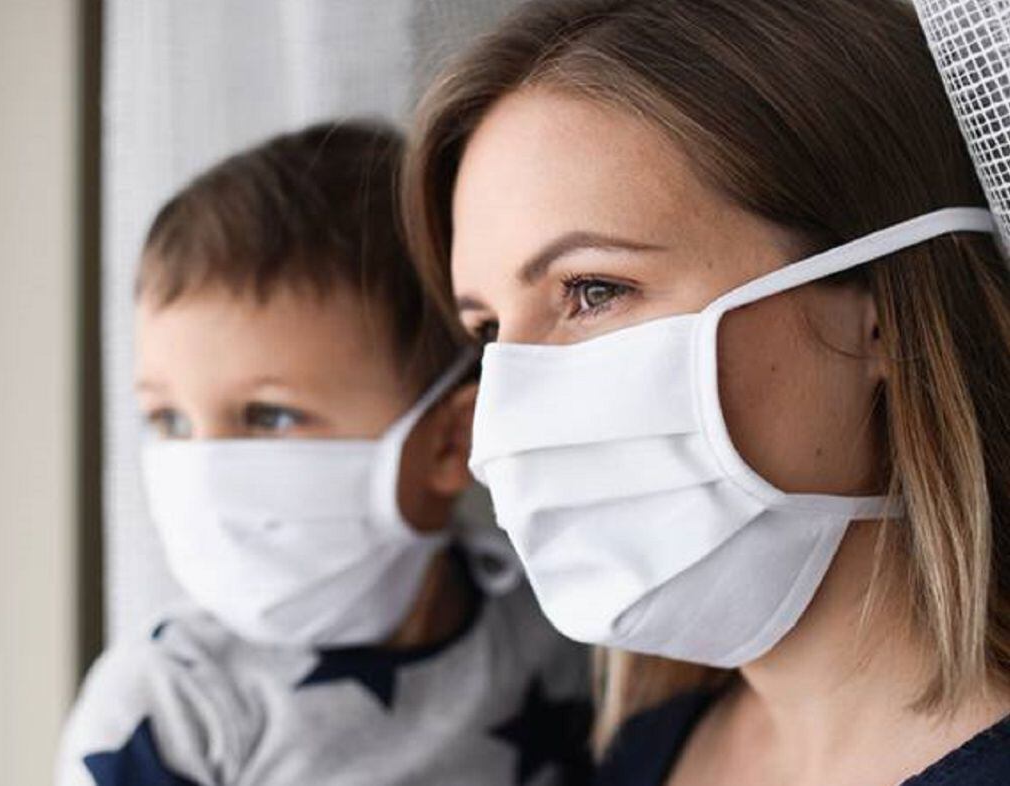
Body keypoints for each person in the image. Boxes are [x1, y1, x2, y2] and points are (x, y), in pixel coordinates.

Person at [401, 1, 1010, 784]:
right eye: (487, 333)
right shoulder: (637, 754)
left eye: (591, 290)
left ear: (879, 316)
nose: (502, 424)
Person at [57, 121, 591, 786]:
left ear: (452, 441)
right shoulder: (169, 706)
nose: (203, 471)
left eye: (269, 415)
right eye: (169, 418)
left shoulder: (554, 623)